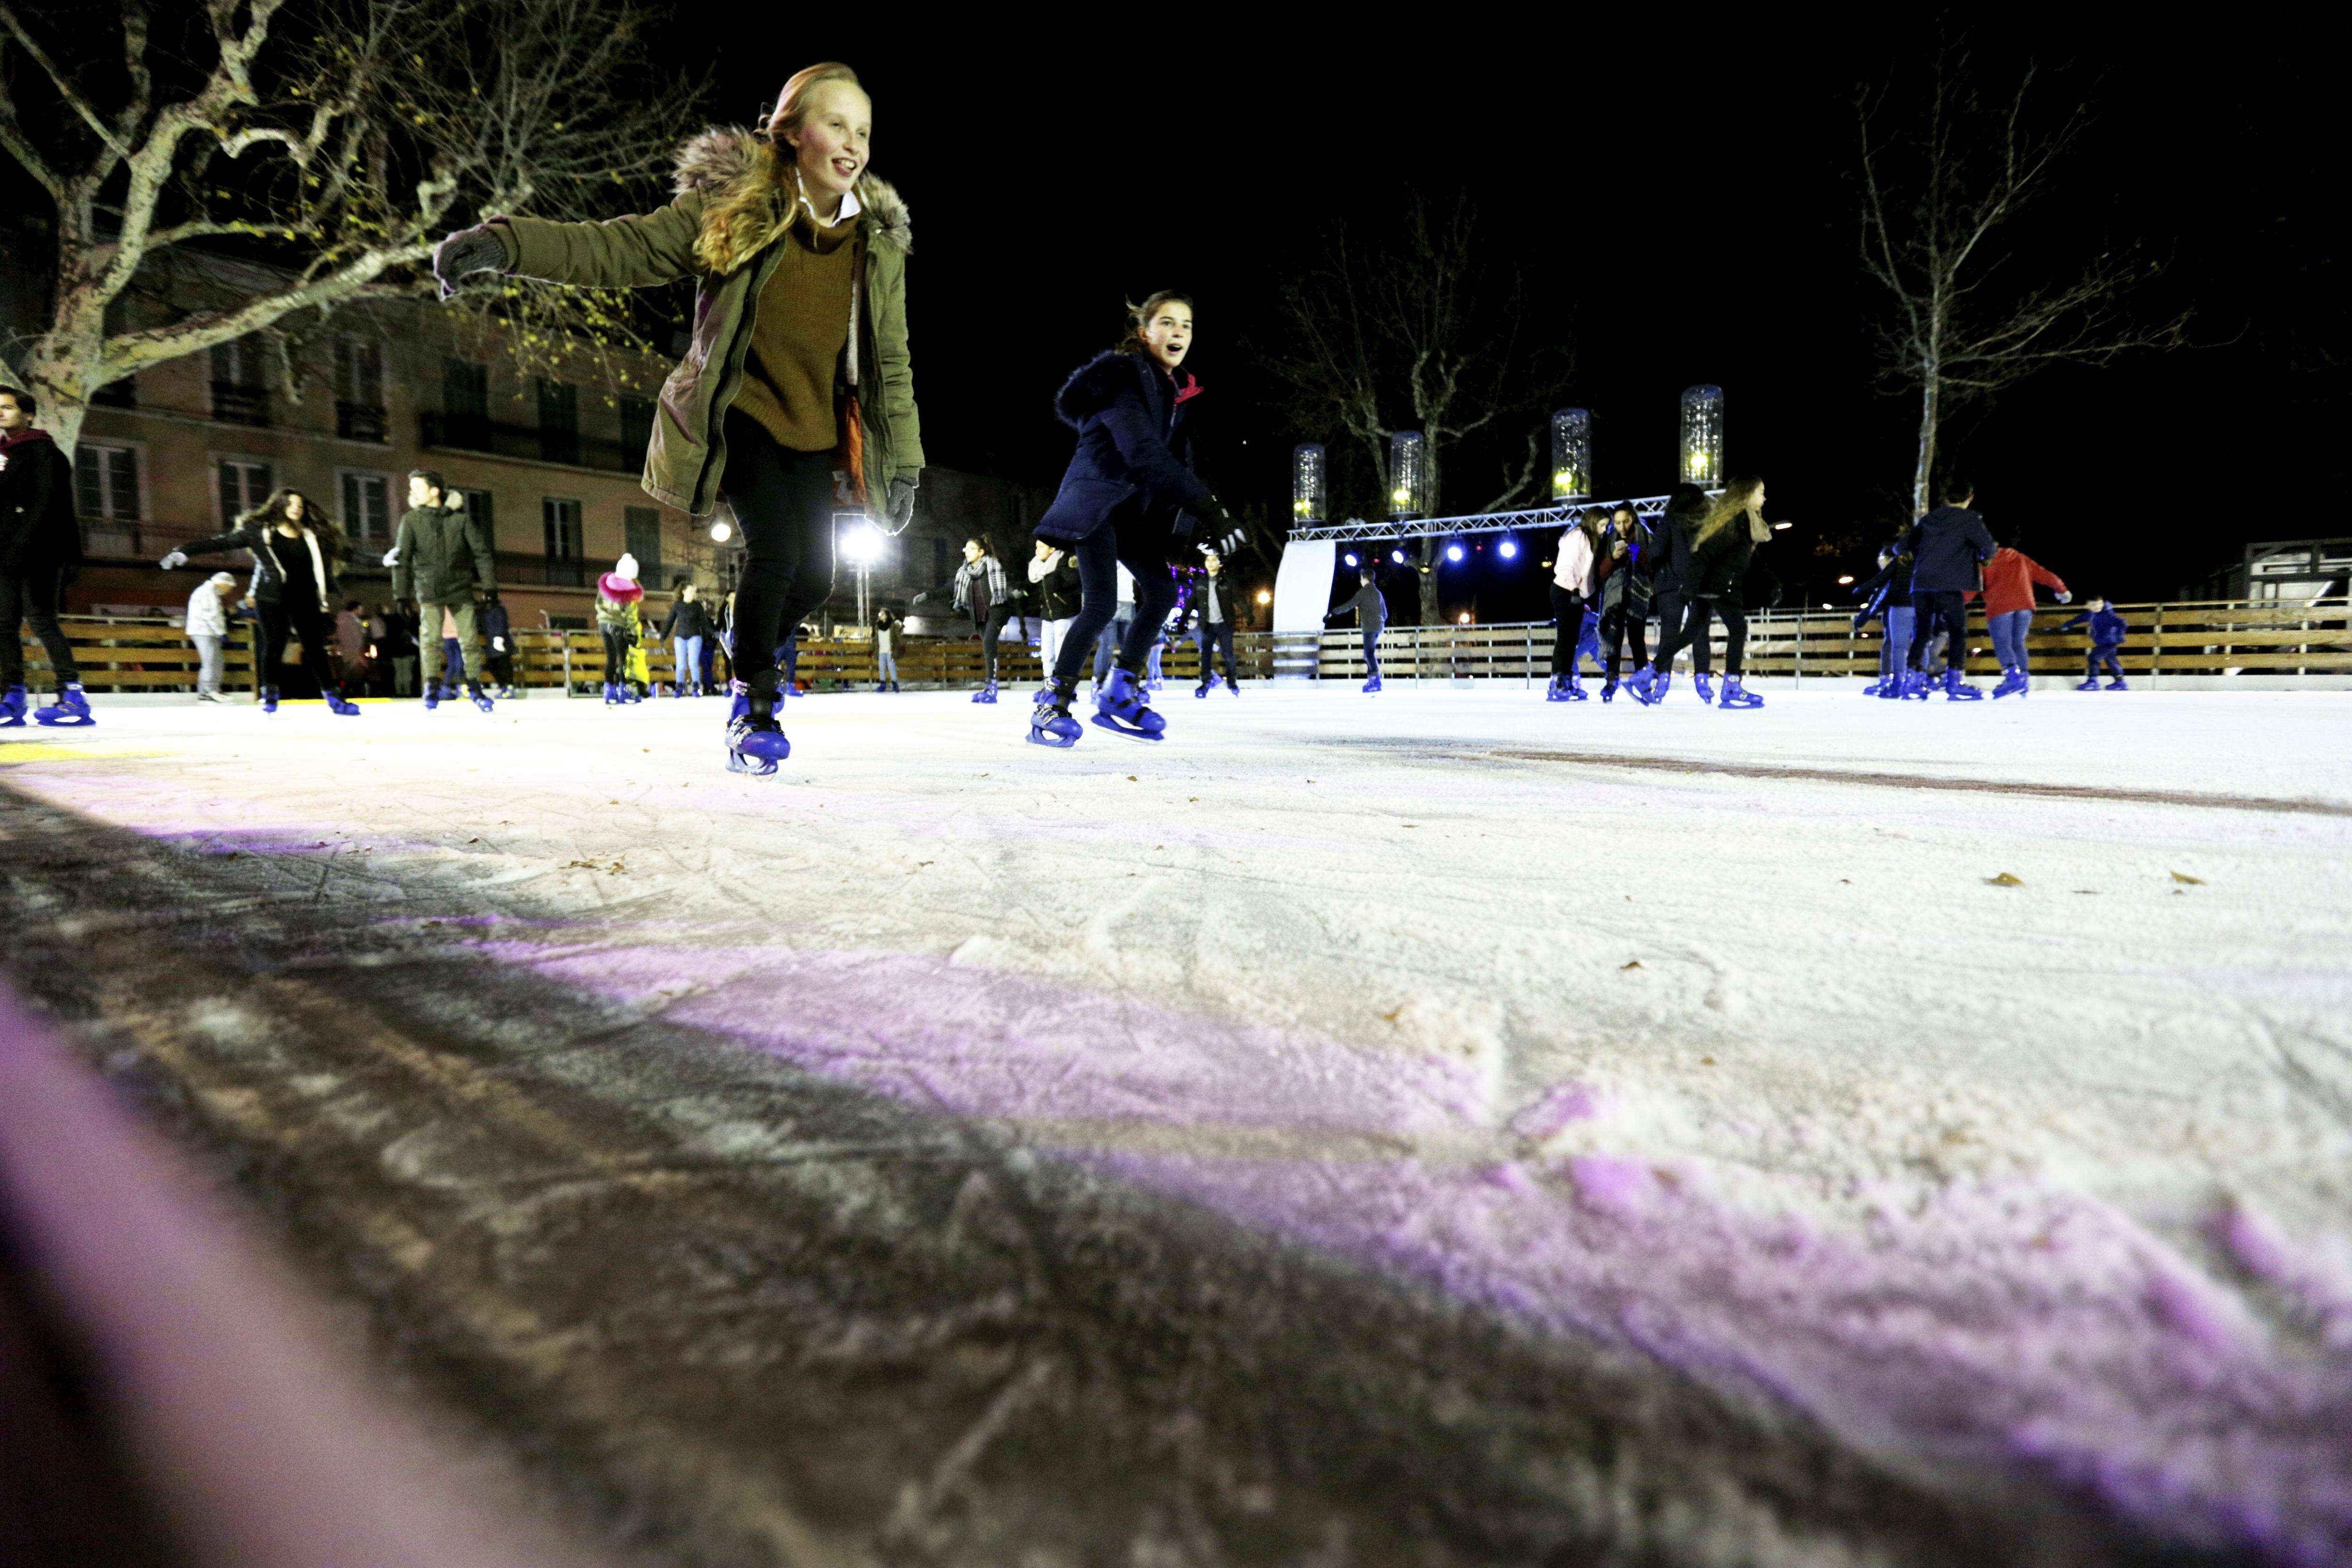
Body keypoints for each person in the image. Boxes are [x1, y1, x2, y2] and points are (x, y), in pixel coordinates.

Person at [434, 63, 923, 776]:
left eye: (865, 131)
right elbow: (618, 249)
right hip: (740, 414)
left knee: (815, 580)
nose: (853, 144)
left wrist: (903, 461)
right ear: (791, 133)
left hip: (814, 428)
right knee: (777, 554)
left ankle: (745, 641)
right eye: (836, 124)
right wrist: (507, 245)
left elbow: (892, 361)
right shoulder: (738, 206)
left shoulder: (875, 242)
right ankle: (755, 700)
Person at [1026, 292, 1245, 747]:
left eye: (1186, 324)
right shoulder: (1121, 379)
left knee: (1162, 591)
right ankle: (1053, 702)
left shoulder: (1172, 393)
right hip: (1097, 501)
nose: (1179, 332)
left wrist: (1199, 526)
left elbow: (1175, 468)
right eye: (1167, 322)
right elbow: (1143, 454)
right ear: (1145, 333)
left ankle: (1119, 691)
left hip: (1131, 512)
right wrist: (1210, 508)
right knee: (1102, 603)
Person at [162, 489, 360, 715]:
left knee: (315, 648)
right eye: (291, 504)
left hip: (304, 597)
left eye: (300, 506)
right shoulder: (259, 532)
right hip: (271, 597)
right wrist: (185, 552)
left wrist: (383, 560)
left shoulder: (312, 535)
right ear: (280, 507)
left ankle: (335, 700)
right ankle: (271, 695)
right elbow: (224, 542)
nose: (297, 508)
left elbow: (346, 554)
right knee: (274, 645)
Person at [1631, 477, 1774, 709]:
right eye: (1761, 492)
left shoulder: (1676, 520)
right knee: (1708, 634)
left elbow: (1657, 553)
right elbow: (1710, 554)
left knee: (1680, 633)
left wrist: (1648, 568)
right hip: (1707, 583)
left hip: (1680, 583)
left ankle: (1652, 679)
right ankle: (1713, 685)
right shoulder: (1728, 520)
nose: (1765, 498)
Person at [0, 384, 91, 727]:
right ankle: (12, 696)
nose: (1, 413)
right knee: (3, 624)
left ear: (28, 414)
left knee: (41, 619)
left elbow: (45, 507)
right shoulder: (2, 454)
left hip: (40, 551)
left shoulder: (44, 453)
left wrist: (26, 546)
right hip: (5, 553)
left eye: (8, 407)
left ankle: (72, 695)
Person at [390, 470, 495, 711]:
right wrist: (401, 595)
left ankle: (474, 686)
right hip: (429, 589)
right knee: (430, 640)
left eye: (418, 487)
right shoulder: (411, 521)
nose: (413, 492)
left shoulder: (461, 520)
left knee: (469, 639)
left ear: (434, 491)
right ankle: (431, 686)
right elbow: (402, 559)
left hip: (460, 589)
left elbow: (481, 554)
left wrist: (490, 587)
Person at [1897, 479, 1998, 701]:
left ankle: (1912, 681)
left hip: (1922, 584)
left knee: (1922, 632)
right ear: (1969, 499)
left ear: (1946, 500)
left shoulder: (1929, 519)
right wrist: (1985, 557)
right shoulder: (1971, 519)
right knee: (1957, 631)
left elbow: (1900, 547)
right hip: (1949, 584)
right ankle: (1954, 681)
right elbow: (1989, 547)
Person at [1644, 485, 1714, 701]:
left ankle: (1662, 682)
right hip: (1701, 583)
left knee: (1669, 633)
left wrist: (1652, 573)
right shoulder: (1709, 521)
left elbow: (1656, 552)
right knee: (1701, 634)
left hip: (1671, 584)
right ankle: (1703, 683)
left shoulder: (1670, 519)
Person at [1976, 543, 2070, 699]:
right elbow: (2042, 573)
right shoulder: (2020, 557)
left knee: (2003, 643)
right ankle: (2024, 680)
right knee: (2018, 642)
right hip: (2025, 605)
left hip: (2000, 606)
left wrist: (1954, 605)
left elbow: (1974, 586)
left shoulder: (1985, 561)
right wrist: (2061, 589)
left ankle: (2013, 679)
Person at [1595, 503, 1654, 702]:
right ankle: (1612, 681)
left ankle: (1643, 681)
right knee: (1614, 637)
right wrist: (1613, 557)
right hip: (1615, 597)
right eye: (1618, 522)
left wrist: (1639, 555)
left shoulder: (1644, 535)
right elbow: (1602, 572)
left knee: (1638, 640)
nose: (1622, 527)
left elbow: (1653, 564)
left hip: (1637, 594)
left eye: (1626, 521)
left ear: (1634, 519)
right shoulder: (1609, 539)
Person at [1546, 507, 1605, 701]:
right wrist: (1573, 591)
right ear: (1593, 521)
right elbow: (1566, 566)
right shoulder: (1578, 535)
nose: (1604, 530)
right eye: (1602, 525)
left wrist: (1582, 594)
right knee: (1565, 639)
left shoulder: (1588, 539)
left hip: (1576, 594)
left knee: (1572, 640)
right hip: (1564, 590)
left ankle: (1568, 682)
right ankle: (1557, 684)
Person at [1849, 536, 1915, 699]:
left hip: (1898, 615)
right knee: (1915, 645)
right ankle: (1916, 680)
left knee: (1893, 646)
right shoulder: (1917, 564)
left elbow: (1877, 598)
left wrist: (1861, 617)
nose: (1880, 563)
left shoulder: (1894, 571)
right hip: (1916, 610)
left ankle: (1891, 680)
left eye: (1881, 559)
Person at [953, 536, 1011, 702]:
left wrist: (1013, 592)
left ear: (981, 552)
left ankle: (992, 688)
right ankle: (989, 687)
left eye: (972, 549)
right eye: (966, 549)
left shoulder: (992, 567)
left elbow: (1005, 584)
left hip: (996, 614)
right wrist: (928, 595)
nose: (967, 552)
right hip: (979, 617)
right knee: (988, 650)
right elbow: (951, 586)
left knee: (988, 646)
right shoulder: (965, 572)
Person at [1188, 551, 1241, 698]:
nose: (1210, 563)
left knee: (1228, 655)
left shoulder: (1227, 581)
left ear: (1220, 563)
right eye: (1208, 560)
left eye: (1214, 560)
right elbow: (1192, 601)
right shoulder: (1200, 582)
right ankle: (1205, 683)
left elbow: (1238, 598)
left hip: (1224, 624)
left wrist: (1248, 614)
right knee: (1206, 655)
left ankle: (1232, 682)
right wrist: (1183, 617)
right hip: (1208, 625)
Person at [597, 554, 648, 704]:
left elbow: (598, 604)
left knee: (611, 658)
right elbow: (631, 616)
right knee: (623, 659)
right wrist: (634, 632)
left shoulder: (607, 583)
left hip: (603, 624)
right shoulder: (630, 589)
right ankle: (623, 691)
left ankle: (609, 691)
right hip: (618, 626)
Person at [1327, 568, 1387, 693]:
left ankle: (1376, 681)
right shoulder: (1378, 593)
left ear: (1365, 579)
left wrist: (1332, 613)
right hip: (1379, 626)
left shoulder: (1363, 592)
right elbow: (1385, 614)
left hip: (1370, 628)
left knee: (1369, 654)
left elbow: (1349, 606)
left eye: (1361, 579)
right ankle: (1372, 681)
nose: (1360, 581)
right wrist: (1379, 623)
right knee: (1369, 654)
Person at [1028, 539, 1081, 680]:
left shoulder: (1062, 563)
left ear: (1052, 550)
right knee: (1046, 652)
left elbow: (1076, 582)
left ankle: (1063, 683)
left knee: (1061, 651)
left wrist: (1069, 570)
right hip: (1047, 614)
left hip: (1064, 613)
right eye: (1036, 547)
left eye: (1041, 547)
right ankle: (1048, 683)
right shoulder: (1039, 567)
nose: (1037, 550)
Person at [186, 573, 240, 701]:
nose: (229, 591)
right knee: (210, 662)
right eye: (229, 587)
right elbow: (210, 615)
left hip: (208, 632)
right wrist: (221, 632)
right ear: (223, 583)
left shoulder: (210, 592)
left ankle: (211, 690)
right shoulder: (207, 593)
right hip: (204, 632)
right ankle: (208, 692)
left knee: (216, 661)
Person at [2059, 597, 2129, 691]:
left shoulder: (2108, 614)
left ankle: (2093, 682)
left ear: (2102, 604)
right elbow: (2079, 619)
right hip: (2103, 641)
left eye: (2099, 604)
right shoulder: (2090, 614)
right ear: (2087, 606)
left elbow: (2123, 623)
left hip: (2110, 641)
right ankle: (2120, 682)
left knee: (2093, 657)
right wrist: (2067, 625)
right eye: (2093, 605)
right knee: (2111, 660)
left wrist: (2120, 635)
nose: (2097, 607)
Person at [1092, 561, 1137, 690]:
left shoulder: (1132, 554)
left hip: (1127, 601)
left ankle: (1128, 684)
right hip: (1108, 602)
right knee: (1107, 644)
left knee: (1127, 646)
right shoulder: (1103, 549)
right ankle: (1099, 683)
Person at [660, 583, 710, 697]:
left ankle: (696, 688)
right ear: (684, 592)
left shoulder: (697, 606)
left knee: (693, 663)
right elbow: (669, 622)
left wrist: (713, 633)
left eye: (694, 592)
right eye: (691, 591)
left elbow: (704, 623)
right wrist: (663, 636)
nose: (693, 594)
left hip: (694, 636)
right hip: (680, 637)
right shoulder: (677, 606)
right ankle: (679, 688)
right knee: (681, 664)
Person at [479, 590, 516, 697]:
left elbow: (501, 625)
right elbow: (482, 625)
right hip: (493, 643)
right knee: (493, 665)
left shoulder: (497, 610)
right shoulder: (487, 611)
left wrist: (499, 638)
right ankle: (506, 687)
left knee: (504, 664)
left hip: (501, 643)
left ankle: (509, 689)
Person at [871, 604, 901, 692]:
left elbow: (898, 635)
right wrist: (872, 650)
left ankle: (895, 685)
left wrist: (902, 645)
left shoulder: (892, 626)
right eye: (880, 614)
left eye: (882, 614)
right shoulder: (877, 626)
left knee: (892, 668)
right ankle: (883, 685)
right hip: (881, 652)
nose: (880, 616)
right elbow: (875, 639)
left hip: (890, 652)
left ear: (887, 616)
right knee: (882, 669)